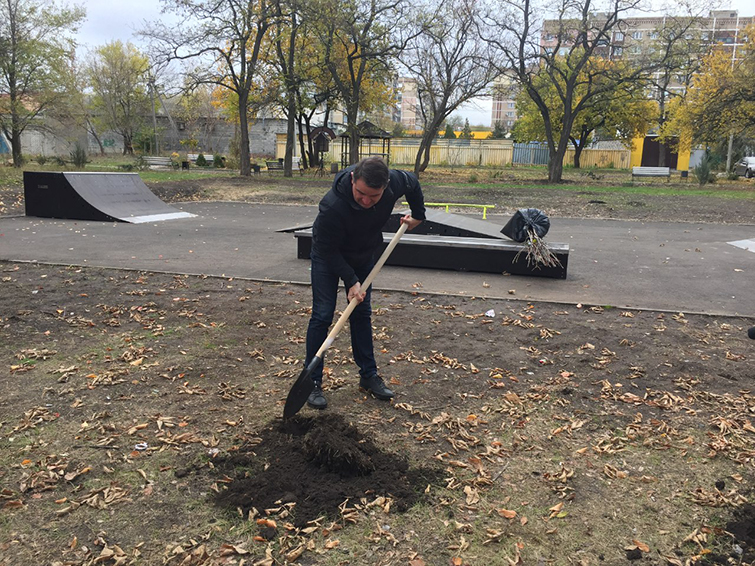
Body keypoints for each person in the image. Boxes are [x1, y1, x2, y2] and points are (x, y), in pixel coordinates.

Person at [304, 156, 426, 409]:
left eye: (374, 196)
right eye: (361, 193)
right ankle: (312, 382)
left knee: (361, 313)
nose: (367, 201)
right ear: (352, 179)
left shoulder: (395, 182)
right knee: (322, 315)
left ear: (386, 187)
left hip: (363, 254)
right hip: (328, 255)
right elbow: (326, 249)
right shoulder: (332, 205)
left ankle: (368, 376)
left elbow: (413, 183)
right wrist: (351, 281)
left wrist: (418, 215)